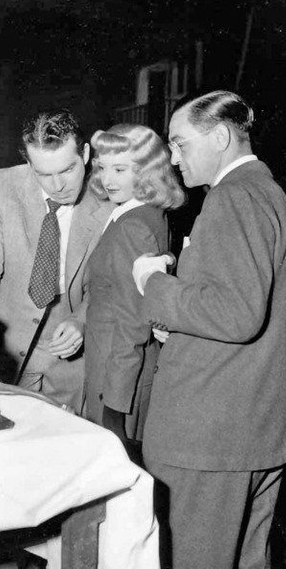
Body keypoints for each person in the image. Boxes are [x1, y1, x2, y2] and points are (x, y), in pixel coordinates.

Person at [132, 90, 286, 569]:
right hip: (253, 430)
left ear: (221, 136)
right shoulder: (269, 194)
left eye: (180, 143)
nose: (173, 158)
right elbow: (250, 309)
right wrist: (181, 325)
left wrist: (152, 284)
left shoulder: (234, 197)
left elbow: (237, 315)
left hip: (208, 438)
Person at [0, 109, 113, 411]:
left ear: (85, 154)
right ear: (29, 164)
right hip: (6, 349)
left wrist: (82, 319)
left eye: (67, 169)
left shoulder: (109, 198)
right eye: (43, 174)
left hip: (73, 357)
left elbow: (108, 280)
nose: (58, 185)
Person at [84, 124, 184, 462]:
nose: (107, 179)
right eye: (102, 167)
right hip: (120, 367)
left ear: (146, 171)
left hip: (117, 378)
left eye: (120, 169)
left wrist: (114, 405)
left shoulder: (132, 226)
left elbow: (132, 324)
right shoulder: (146, 212)